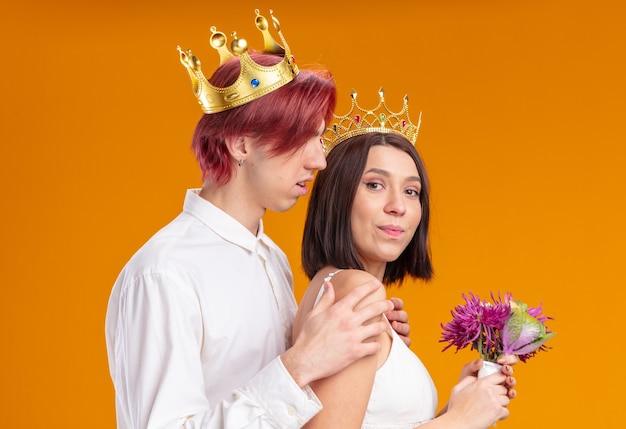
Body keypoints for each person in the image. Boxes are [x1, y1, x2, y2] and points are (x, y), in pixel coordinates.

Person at [105, 10, 411, 429]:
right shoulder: (164, 273)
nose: (319, 159)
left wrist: (373, 350)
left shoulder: (271, 259)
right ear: (240, 143)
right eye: (303, 139)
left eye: (320, 139)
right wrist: (300, 363)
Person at [293, 89, 518, 429]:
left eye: (411, 191)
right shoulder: (357, 290)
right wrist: (460, 421)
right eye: (374, 185)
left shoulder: (335, 288)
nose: (397, 205)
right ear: (337, 198)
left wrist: (456, 408)